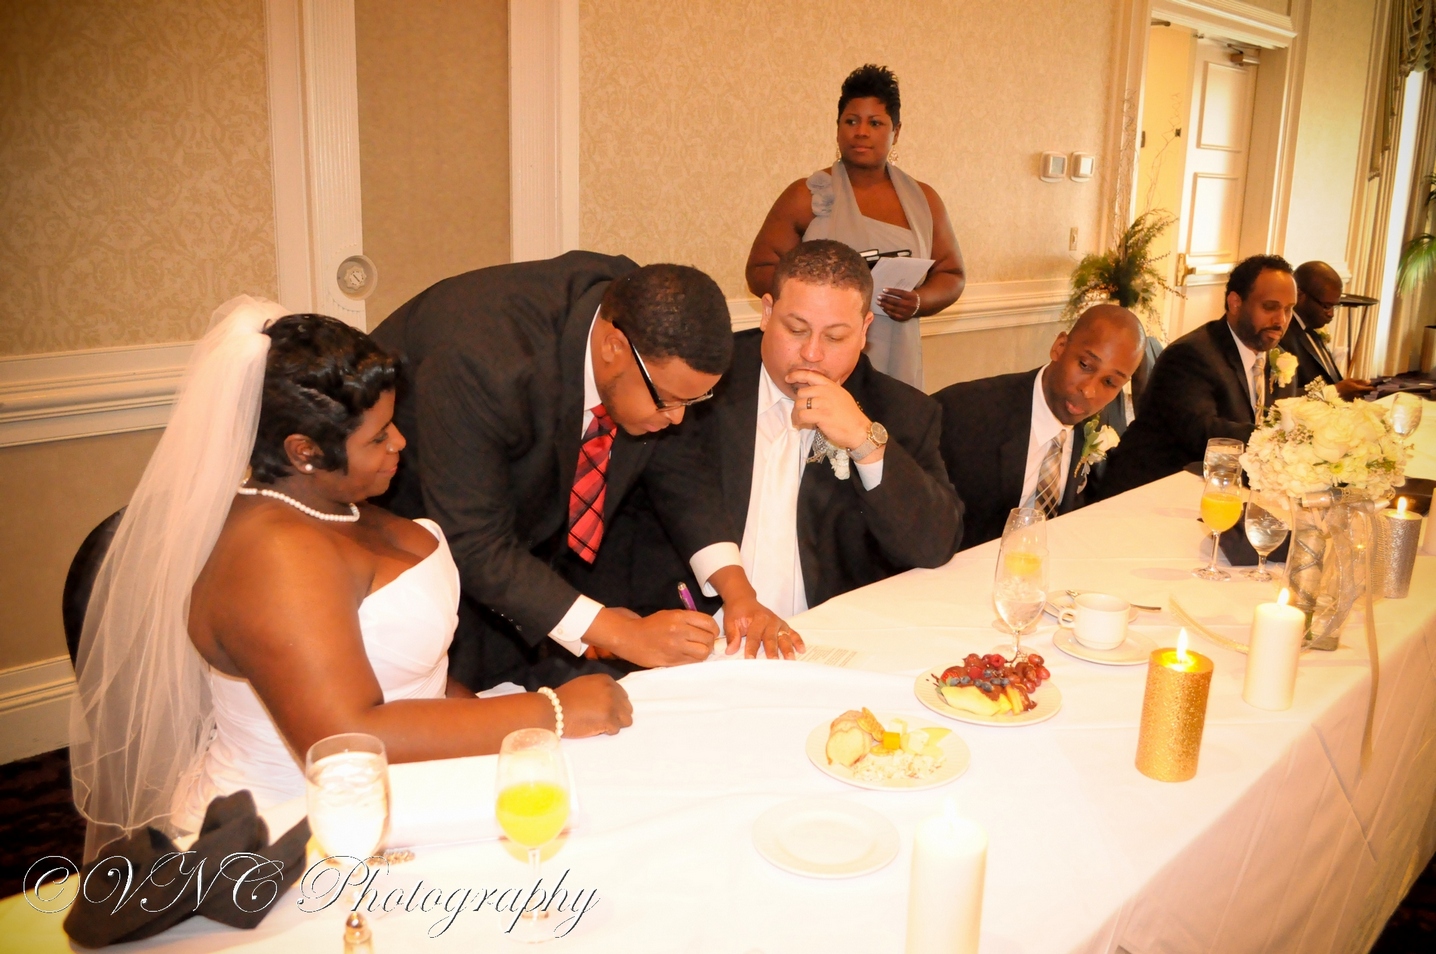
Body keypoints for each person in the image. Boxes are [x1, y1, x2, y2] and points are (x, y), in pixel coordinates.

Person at [69, 301, 632, 855]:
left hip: (415, 779)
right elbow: (343, 741)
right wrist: (551, 712)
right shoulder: (273, 558)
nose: (399, 443)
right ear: (305, 452)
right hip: (297, 831)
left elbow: (415, 681)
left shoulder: (332, 504)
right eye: (378, 437)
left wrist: (506, 725)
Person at [371, 252, 791, 691]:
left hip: (522, 550)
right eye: (667, 400)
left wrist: (738, 592)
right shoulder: (482, 359)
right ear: (613, 348)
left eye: (692, 401)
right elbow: (474, 541)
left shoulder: (644, 317)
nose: (678, 417)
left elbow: (680, 467)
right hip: (411, 536)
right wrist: (618, 632)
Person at [599, 240, 963, 638]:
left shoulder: (900, 411)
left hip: (822, 641)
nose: (812, 353)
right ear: (767, 312)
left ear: (864, 331)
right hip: (688, 638)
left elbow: (933, 547)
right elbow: (619, 514)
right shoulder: (698, 386)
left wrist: (864, 442)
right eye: (796, 329)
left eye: (835, 337)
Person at [744, 64, 965, 389]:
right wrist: (814, 300)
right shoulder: (806, 195)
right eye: (851, 121)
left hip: (895, 356)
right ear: (837, 128)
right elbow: (760, 269)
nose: (861, 132)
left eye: (875, 123)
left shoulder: (924, 200)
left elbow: (952, 275)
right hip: (818, 353)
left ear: (896, 131)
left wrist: (918, 301)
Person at [934, 305, 1146, 550]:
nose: (1089, 391)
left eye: (1109, 382)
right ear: (1060, 347)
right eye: (1085, 365)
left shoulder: (1101, 419)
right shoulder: (964, 413)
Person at [1098, 255, 1302, 497]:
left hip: (1225, 488)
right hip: (1152, 490)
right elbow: (1203, 433)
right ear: (1235, 303)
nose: (1281, 320)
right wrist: (1282, 439)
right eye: (1270, 307)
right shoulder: (1191, 356)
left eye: (1288, 309)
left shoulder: (1279, 359)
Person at [1282, 260, 1373, 399]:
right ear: (1299, 295)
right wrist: (1335, 391)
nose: (1331, 314)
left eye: (1334, 306)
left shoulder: (1311, 328)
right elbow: (1280, 397)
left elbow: (1328, 380)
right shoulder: (1282, 335)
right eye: (1326, 306)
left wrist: (1346, 387)